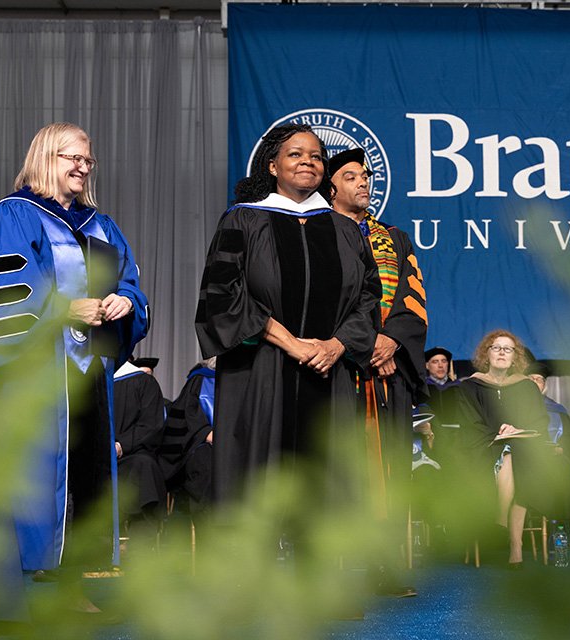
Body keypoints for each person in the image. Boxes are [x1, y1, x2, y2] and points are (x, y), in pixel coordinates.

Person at [0, 122, 149, 617]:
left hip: (87, 377)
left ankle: (70, 585)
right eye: (72, 157)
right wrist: (63, 309)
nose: (83, 166)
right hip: (33, 375)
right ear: (45, 156)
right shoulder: (14, 215)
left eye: (88, 159)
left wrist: (126, 302)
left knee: (84, 475)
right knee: (28, 480)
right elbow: (3, 299)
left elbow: (129, 280)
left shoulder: (100, 225)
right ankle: (10, 594)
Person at [195, 123, 381, 529]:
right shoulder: (242, 222)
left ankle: (319, 578)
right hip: (260, 370)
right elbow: (224, 296)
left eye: (316, 156)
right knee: (256, 474)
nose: (308, 162)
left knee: (325, 477)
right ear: (273, 165)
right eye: (296, 154)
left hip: (327, 372)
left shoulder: (346, 231)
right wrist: (291, 344)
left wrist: (335, 345)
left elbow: (368, 299)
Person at [328, 148, 428, 597]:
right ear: (331, 186)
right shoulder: (317, 233)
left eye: (366, 176)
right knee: (337, 468)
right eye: (350, 177)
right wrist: (364, 346)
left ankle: (382, 565)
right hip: (337, 369)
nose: (363, 183)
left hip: (389, 374)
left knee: (388, 471)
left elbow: (414, 297)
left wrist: (390, 342)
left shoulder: (395, 238)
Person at [457, 330, 551, 567]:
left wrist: (515, 429)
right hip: (482, 448)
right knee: (512, 456)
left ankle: (502, 523)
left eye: (507, 349)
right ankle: (515, 546)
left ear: (514, 357)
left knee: (516, 455)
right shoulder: (470, 387)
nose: (501, 352)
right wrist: (498, 433)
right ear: (486, 355)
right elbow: (469, 425)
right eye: (496, 347)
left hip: (523, 448)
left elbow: (539, 422)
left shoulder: (527, 388)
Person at [112, 358, 167, 549]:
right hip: (95, 458)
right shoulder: (89, 382)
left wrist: (120, 446)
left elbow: (151, 425)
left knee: (145, 466)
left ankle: (141, 547)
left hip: (131, 455)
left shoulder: (143, 382)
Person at [525, 361, 570, 519]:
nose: (535, 383)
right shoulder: (515, 408)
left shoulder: (557, 409)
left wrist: (562, 449)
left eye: (538, 380)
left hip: (556, 460)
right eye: (531, 380)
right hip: (526, 461)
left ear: (544, 384)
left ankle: (560, 528)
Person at [158, 359, 217, 516]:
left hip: (240, 447)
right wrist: (205, 433)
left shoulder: (250, 381)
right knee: (208, 467)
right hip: (203, 445)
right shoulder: (200, 379)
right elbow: (184, 417)